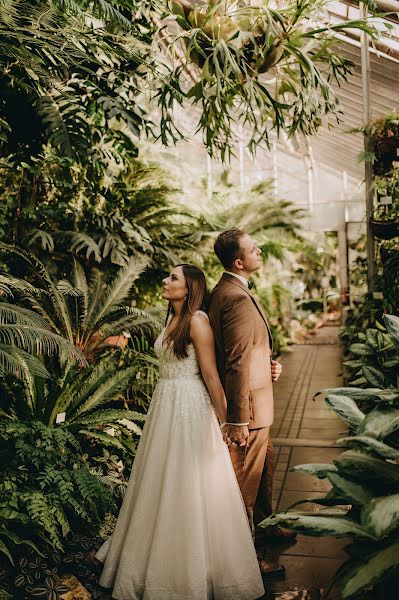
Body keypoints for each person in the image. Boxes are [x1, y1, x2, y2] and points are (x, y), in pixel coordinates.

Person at [96, 264, 265, 600]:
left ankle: (192, 571)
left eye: (173, 277)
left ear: (190, 287)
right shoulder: (170, 319)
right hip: (165, 406)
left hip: (189, 407)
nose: (165, 280)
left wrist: (226, 422)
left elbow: (212, 377)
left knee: (189, 483)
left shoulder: (198, 321)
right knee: (159, 480)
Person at [207, 229, 294, 578]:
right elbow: (238, 359)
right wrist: (238, 419)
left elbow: (247, 351)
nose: (260, 250)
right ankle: (245, 559)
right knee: (245, 481)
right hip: (249, 411)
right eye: (253, 249)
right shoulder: (235, 297)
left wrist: (267, 364)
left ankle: (268, 525)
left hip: (255, 399)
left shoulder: (228, 291)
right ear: (239, 261)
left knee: (267, 465)